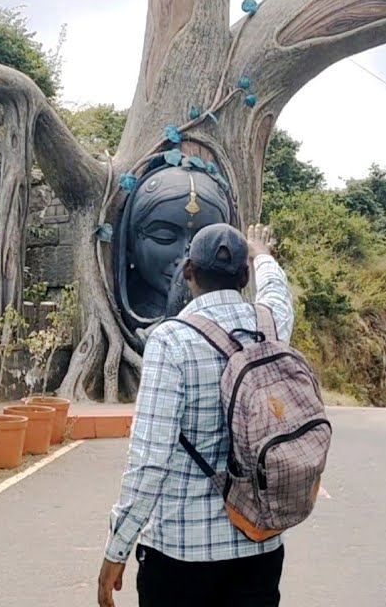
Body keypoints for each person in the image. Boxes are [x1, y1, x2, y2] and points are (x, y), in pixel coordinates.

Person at [98, 223, 293, 607]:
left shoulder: (171, 340)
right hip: (259, 545)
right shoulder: (270, 327)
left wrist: (117, 549)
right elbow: (278, 294)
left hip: (181, 553)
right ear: (243, 275)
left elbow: (150, 461)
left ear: (188, 271)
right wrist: (262, 254)